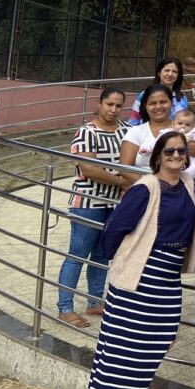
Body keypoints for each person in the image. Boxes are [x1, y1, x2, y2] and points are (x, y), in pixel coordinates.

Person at [80, 132, 195, 389]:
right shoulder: (145, 188)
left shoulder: (188, 185)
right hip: (139, 279)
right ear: (157, 155)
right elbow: (113, 230)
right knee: (123, 351)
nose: (176, 156)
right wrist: (127, 260)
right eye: (169, 152)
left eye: (182, 152)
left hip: (168, 281)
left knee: (156, 344)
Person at [58, 88, 132, 329]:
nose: (113, 110)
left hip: (115, 204)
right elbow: (89, 169)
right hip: (89, 202)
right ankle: (65, 307)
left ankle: (95, 300)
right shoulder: (86, 132)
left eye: (118, 105)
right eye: (109, 104)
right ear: (99, 104)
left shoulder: (126, 131)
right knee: (77, 253)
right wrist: (123, 181)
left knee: (102, 253)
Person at [121, 84, 195, 178]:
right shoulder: (135, 132)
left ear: (171, 103)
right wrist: (152, 188)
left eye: (163, 102)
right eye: (152, 103)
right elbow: (125, 169)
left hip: (185, 187)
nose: (158, 106)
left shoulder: (185, 128)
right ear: (145, 106)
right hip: (147, 188)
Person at [128, 58, 188, 125]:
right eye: (167, 70)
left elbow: (184, 122)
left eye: (174, 71)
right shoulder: (144, 94)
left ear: (178, 76)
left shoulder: (182, 98)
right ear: (159, 73)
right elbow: (134, 121)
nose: (170, 74)